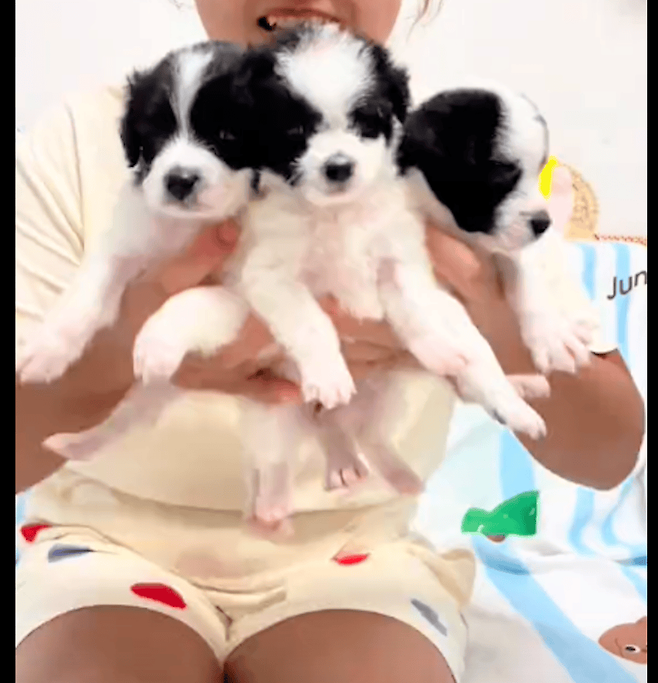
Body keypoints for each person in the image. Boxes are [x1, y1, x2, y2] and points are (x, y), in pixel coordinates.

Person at [15, 1, 645, 681]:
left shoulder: (448, 145)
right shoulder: (82, 139)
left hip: (355, 563)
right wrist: (117, 353)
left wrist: (494, 313)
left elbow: (608, 451)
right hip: (101, 550)